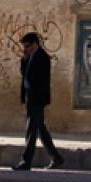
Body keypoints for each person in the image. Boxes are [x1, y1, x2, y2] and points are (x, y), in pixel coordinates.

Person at [13, 31, 63, 170]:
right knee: (41, 129)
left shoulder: (43, 57)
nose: (26, 49)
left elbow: (41, 81)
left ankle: (26, 162)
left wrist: (36, 98)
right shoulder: (30, 57)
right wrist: (24, 59)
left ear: (35, 44)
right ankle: (56, 158)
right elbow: (25, 74)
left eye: (28, 46)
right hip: (30, 97)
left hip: (37, 99)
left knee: (31, 130)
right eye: (24, 46)